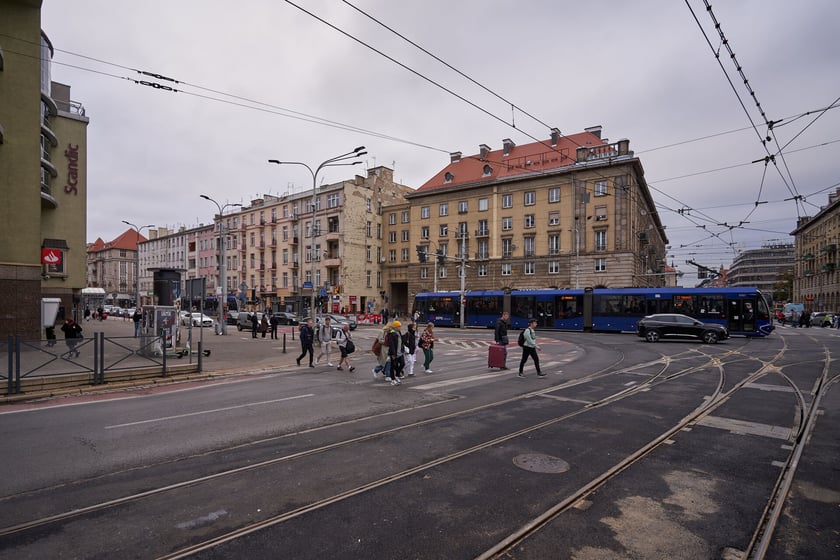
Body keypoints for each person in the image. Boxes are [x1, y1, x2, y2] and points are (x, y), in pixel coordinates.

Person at [387, 320, 404, 385]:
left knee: (402, 364)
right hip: (394, 353)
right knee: (393, 366)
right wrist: (393, 354)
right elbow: (391, 345)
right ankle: (393, 379)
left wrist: (402, 348)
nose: (400, 327)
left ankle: (397, 375)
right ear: (395, 327)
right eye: (399, 326)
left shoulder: (399, 332)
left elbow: (401, 341)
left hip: (400, 352)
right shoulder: (392, 334)